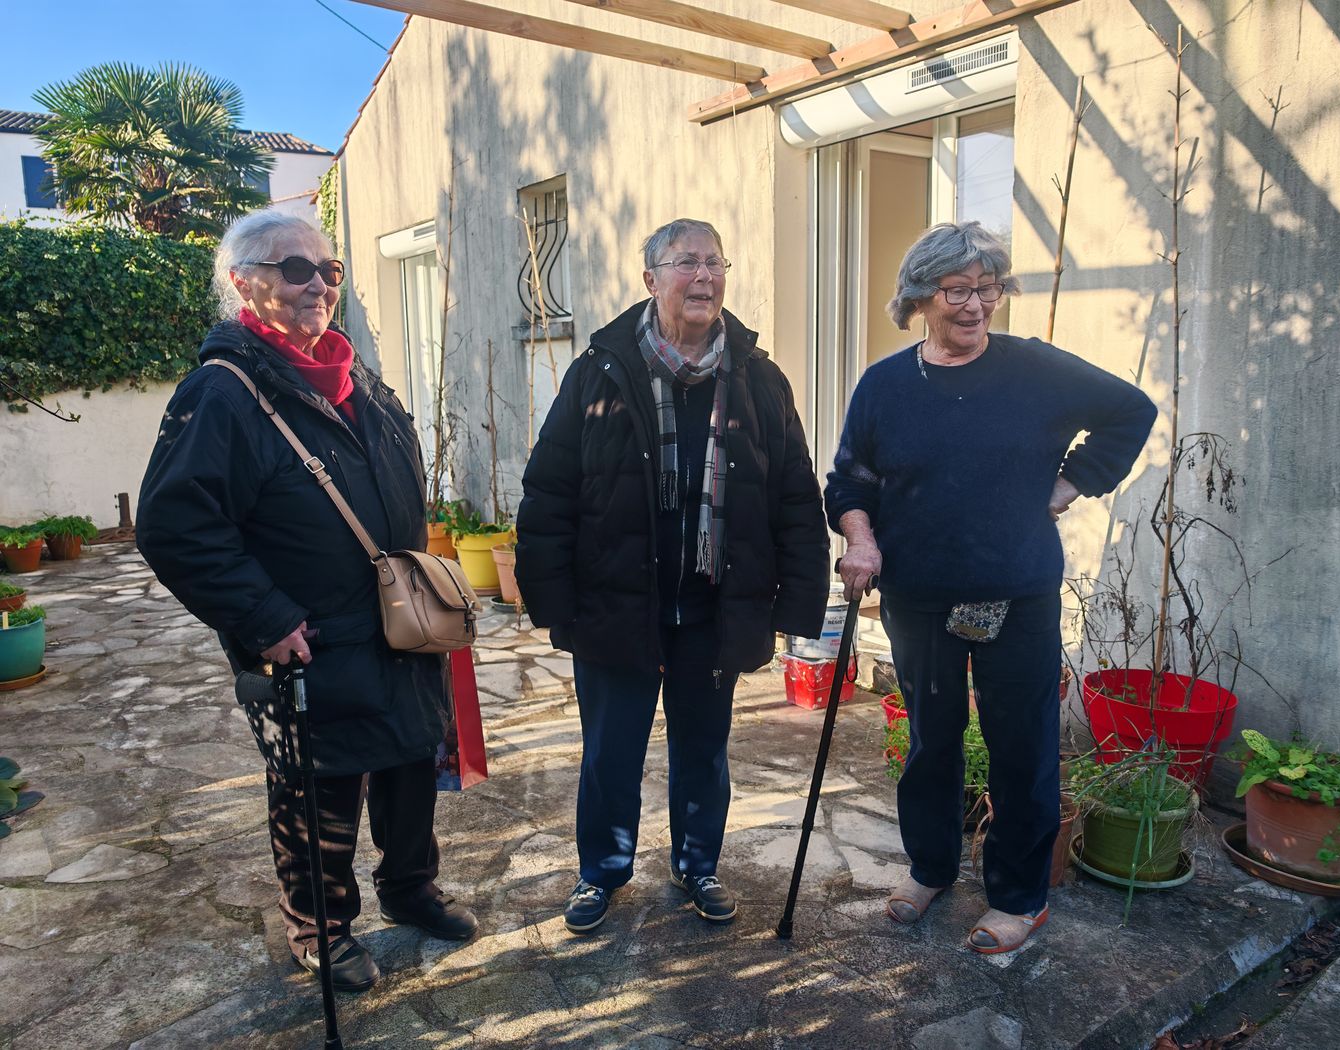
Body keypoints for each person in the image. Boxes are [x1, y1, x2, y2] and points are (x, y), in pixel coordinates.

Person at [136, 209, 477, 992]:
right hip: (309, 640)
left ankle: (410, 889)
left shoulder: (360, 379)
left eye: (329, 269)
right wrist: (264, 618)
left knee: (408, 770)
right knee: (317, 793)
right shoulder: (222, 392)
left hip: (395, 625)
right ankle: (321, 930)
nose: (318, 284)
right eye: (296, 269)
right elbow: (175, 526)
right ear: (243, 283)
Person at [826, 221, 1156, 953]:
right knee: (930, 741)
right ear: (920, 296)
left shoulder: (1035, 371)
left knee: (1021, 746)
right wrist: (862, 537)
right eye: (956, 290)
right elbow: (851, 478)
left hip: (1018, 592)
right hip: (918, 593)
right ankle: (931, 867)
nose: (975, 305)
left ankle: (1019, 896)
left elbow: (1131, 411)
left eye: (988, 288)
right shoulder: (884, 385)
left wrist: (1068, 485)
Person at [516, 218, 830, 933]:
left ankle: (698, 865)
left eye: (715, 262)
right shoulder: (600, 371)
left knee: (703, 752)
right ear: (650, 277)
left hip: (711, 609)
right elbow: (550, 489)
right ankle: (602, 871)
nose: (705, 277)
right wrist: (552, 599)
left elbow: (793, 494)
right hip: (617, 605)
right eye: (686, 262)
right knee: (610, 753)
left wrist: (798, 603)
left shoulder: (758, 377)